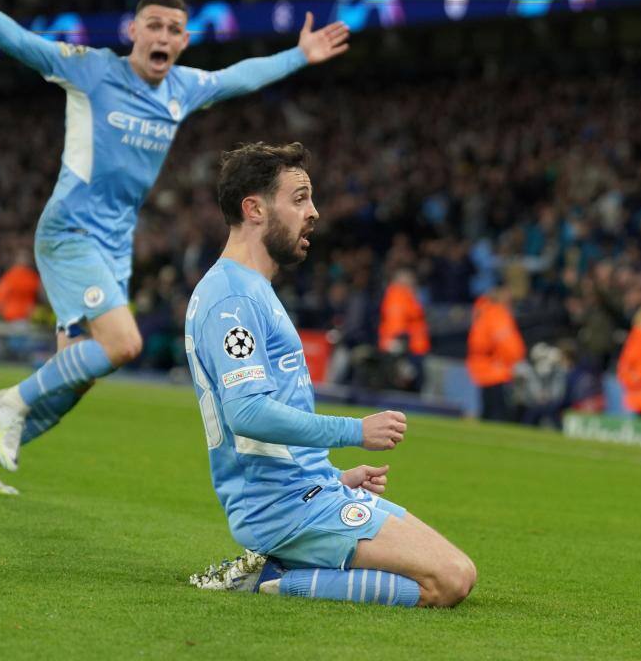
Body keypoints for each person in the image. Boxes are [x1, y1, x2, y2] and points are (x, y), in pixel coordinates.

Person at [0, 0, 351, 495]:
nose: (162, 36)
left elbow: (240, 76)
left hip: (114, 245)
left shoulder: (182, 88)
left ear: (184, 41)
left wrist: (299, 55)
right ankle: (8, 402)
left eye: (173, 29)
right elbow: (16, 39)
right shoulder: (90, 70)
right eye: (153, 25)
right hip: (71, 230)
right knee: (125, 344)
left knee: (75, 377)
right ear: (132, 31)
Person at [183, 142, 476, 607]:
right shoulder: (232, 300)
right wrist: (354, 431)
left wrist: (332, 475)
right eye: (299, 199)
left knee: (462, 572)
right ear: (254, 209)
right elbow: (246, 413)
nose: (314, 212)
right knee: (448, 582)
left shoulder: (250, 289)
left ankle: (283, 564)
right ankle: (271, 577)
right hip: (281, 510)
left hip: (307, 492)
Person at [466, 283, 527, 422]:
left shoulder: (482, 311)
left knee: (487, 412)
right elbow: (508, 343)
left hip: (481, 370)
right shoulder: (497, 314)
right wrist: (517, 360)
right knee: (498, 415)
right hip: (497, 371)